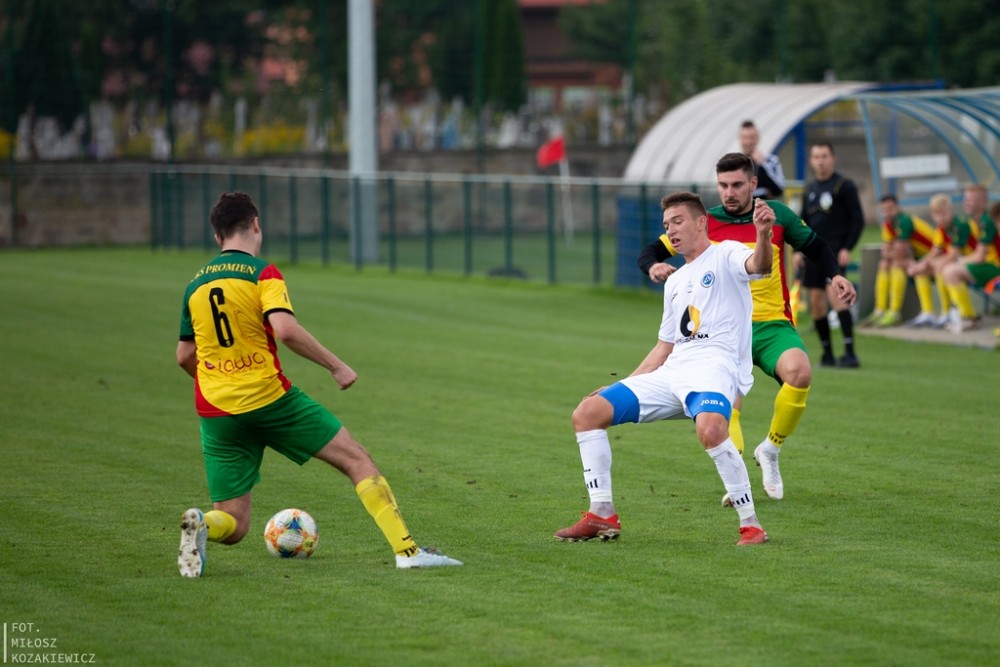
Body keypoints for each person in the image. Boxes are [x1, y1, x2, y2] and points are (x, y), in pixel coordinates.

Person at [175, 191, 462, 577]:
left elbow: (184, 356)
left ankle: (203, 525)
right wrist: (336, 366)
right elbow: (286, 331)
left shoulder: (194, 286)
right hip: (269, 399)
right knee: (356, 459)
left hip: (215, 410)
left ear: (217, 236)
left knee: (235, 524)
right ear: (256, 224)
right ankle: (408, 552)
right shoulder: (262, 273)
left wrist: (220, 380)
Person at [555, 191, 774, 546]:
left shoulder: (726, 253)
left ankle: (751, 525)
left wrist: (763, 235)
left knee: (711, 429)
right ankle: (602, 514)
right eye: (666, 224)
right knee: (588, 412)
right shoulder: (674, 281)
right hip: (673, 371)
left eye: (677, 221)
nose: (670, 230)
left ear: (701, 222)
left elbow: (759, 266)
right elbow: (664, 347)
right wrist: (623, 384)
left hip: (714, 367)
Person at [638, 153, 856, 501]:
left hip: (770, 324)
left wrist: (835, 275)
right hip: (721, 330)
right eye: (723, 185)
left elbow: (814, 245)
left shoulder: (775, 215)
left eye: (737, 185)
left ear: (753, 184)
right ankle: (736, 484)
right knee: (726, 406)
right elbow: (652, 250)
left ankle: (770, 449)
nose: (729, 192)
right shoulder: (705, 221)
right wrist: (653, 266)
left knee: (800, 372)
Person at [798, 141, 865, 368]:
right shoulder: (810, 189)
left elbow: (857, 220)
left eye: (824, 156)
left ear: (833, 158)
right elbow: (802, 222)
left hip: (835, 252)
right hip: (812, 252)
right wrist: (797, 250)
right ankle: (827, 354)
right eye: (816, 156)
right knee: (816, 303)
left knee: (836, 296)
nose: (820, 161)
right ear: (811, 161)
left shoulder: (844, 186)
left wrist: (847, 247)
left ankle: (850, 353)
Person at [861, 194, 935, 328]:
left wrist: (892, 254)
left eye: (890, 208)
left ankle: (894, 312)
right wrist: (891, 254)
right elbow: (886, 250)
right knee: (884, 264)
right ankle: (879, 310)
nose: (887, 212)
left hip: (934, 255)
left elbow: (899, 252)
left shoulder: (905, 221)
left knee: (897, 263)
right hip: (919, 256)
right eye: (884, 209)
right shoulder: (888, 223)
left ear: (897, 207)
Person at [907, 193, 979, 328]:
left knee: (940, 266)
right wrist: (920, 264)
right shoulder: (940, 228)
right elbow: (935, 250)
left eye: (944, 213)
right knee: (921, 271)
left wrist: (930, 263)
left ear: (951, 210)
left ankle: (948, 312)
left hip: (974, 261)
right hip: (958, 261)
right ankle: (927, 313)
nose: (941, 217)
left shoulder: (961, 225)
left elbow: (953, 255)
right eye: (937, 214)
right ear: (932, 215)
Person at [940, 193, 1000, 332]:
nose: (966, 202)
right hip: (991, 266)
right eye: (965, 199)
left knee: (950, 270)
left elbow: (979, 257)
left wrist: (959, 262)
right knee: (947, 269)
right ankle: (957, 315)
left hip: (994, 267)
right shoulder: (977, 222)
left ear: (982, 202)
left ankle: (965, 316)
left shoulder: (984, 222)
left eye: (970, 199)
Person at [739, 120, 785, 199]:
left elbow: (778, 190)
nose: (748, 142)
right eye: (745, 138)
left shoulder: (771, 160)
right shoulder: (735, 163)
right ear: (740, 139)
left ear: (758, 139)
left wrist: (762, 165)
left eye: (752, 137)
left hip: (764, 204)